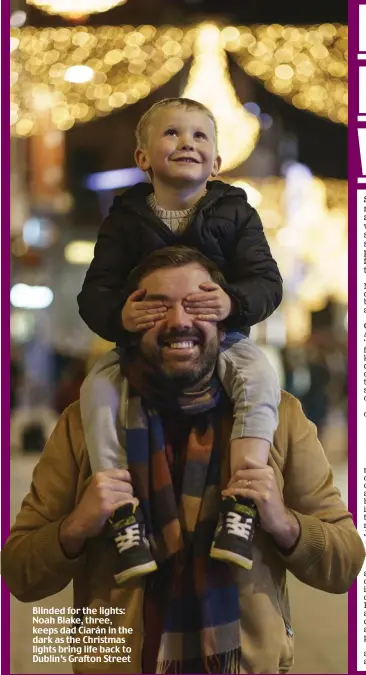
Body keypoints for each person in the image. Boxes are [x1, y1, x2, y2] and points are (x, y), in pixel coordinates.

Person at [2, 247, 364, 675]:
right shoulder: (84, 425)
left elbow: (344, 562)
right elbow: (20, 572)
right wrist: (74, 527)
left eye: (197, 305)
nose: (179, 322)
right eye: (157, 307)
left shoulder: (279, 420)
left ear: (222, 320)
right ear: (130, 322)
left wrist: (285, 523)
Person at [77, 97, 283, 582]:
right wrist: (121, 315)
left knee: (259, 377)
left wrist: (232, 302)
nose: (186, 142)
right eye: (171, 133)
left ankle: (243, 495)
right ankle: (120, 507)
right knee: (98, 388)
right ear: (142, 157)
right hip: (143, 348)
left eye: (200, 136)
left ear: (215, 162)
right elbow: (96, 291)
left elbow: (266, 282)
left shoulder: (235, 213)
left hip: (222, 342)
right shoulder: (125, 217)